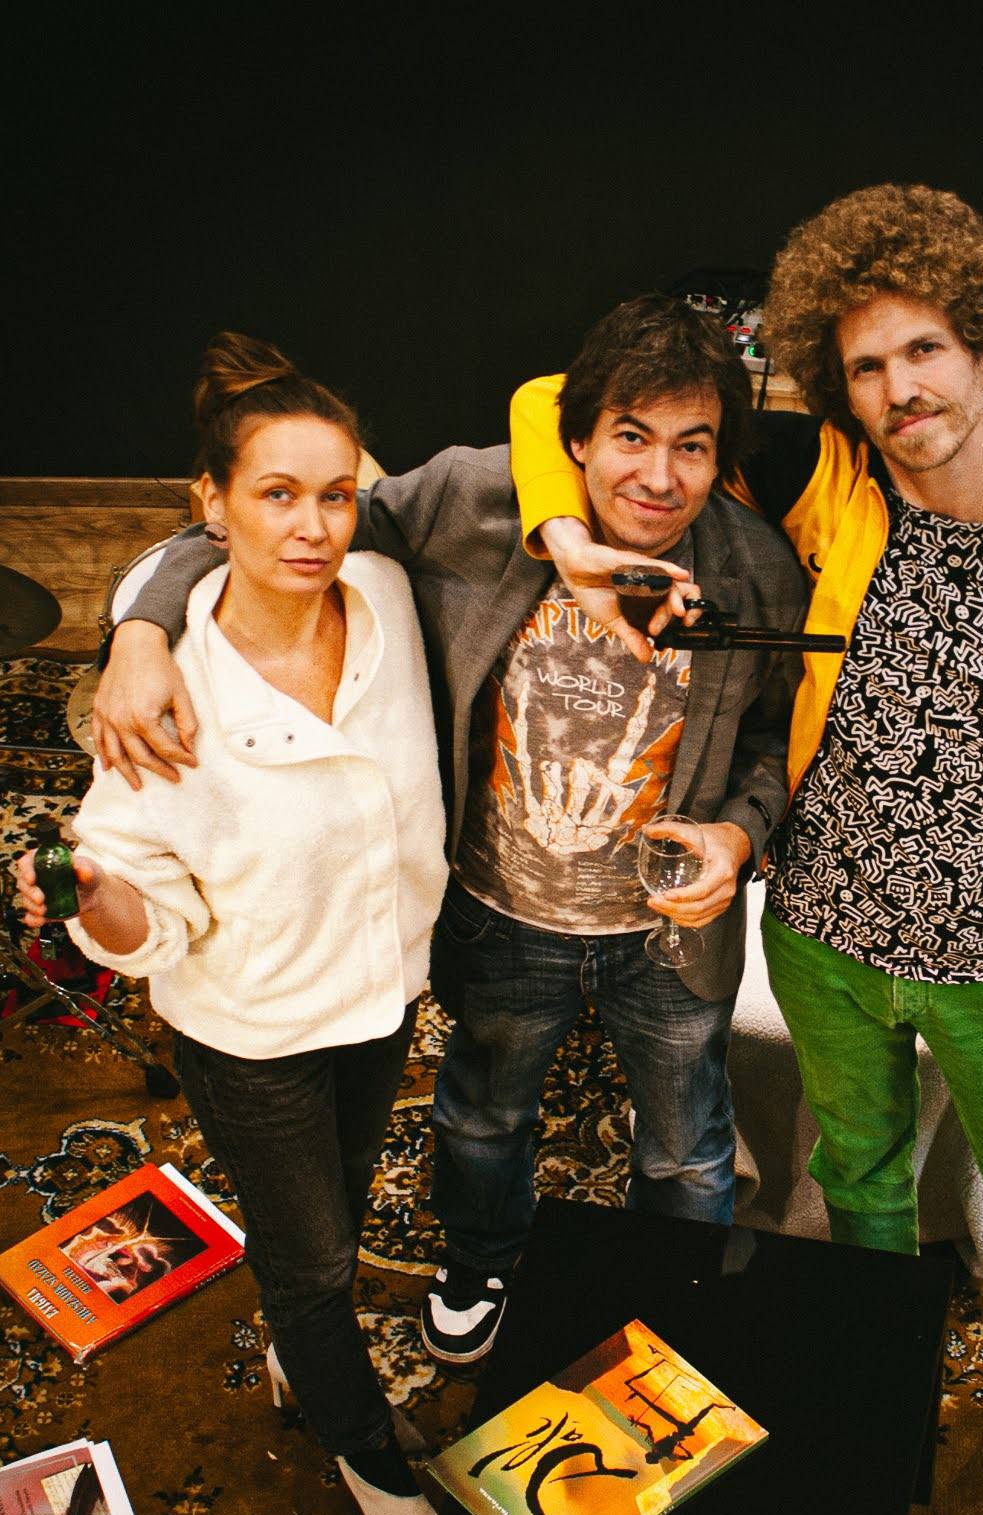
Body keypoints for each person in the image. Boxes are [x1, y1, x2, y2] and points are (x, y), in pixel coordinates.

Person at [513, 186, 983, 1515]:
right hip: (823, 932)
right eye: (867, 366)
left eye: (925, 350)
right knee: (858, 1176)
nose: (899, 390)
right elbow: (553, 399)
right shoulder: (821, 476)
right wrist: (571, 543)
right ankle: (875, 1363)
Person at [91, 297, 806, 1366]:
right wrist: (142, 631)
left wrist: (740, 838)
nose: (660, 476)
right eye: (631, 436)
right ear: (576, 439)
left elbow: (774, 740)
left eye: (692, 447)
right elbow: (270, 532)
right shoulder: (475, 500)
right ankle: (481, 1259)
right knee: (482, 1116)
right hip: (497, 911)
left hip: (666, 933)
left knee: (690, 1150)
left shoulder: (759, 570)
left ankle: (676, 1293)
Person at [17, 333, 449, 1515]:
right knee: (312, 1259)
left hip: (381, 992)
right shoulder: (162, 699)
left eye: (335, 495)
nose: (312, 527)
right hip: (252, 1030)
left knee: (341, 1202)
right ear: (210, 504)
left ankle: (297, 1355)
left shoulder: (391, 597)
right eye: (277, 494)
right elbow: (147, 927)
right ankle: (361, 1444)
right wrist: (99, 898)